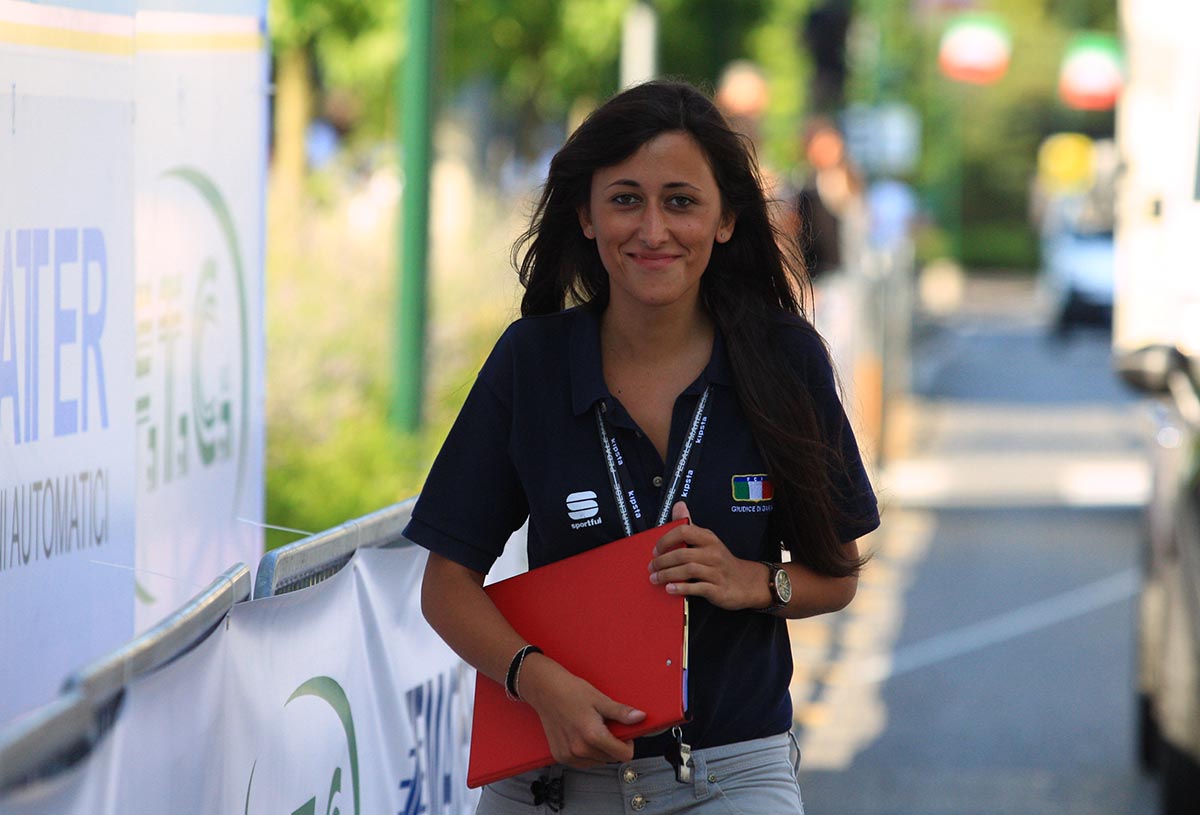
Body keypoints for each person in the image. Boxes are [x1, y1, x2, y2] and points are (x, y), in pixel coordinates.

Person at [403, 80, 880, 814]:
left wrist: (755, 581)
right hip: (550, 779)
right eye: (626, 199)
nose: (653, 230)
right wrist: (536, 680)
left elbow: (837, 575)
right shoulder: (531, 361)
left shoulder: (785, 360)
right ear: (586, 215)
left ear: (725, 219)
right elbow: (445, 585)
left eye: (681, 201)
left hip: (728, 777)